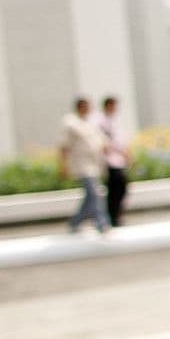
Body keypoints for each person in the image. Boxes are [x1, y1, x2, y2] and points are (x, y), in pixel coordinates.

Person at [59, 96, 110, 236]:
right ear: (80, 107)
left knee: (90, 196)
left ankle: (75, 221)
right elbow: (64, 146)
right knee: (95, 193)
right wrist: (64, 165)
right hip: (81, 164)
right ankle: (102, 223)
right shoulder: (70, 123)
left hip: (94, 164)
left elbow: (101, 141)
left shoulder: (90, 123)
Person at [94, 95, 131, 227]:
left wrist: (127, 153)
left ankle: (115, 216)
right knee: (115, 188)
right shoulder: (101, 121)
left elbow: (121, 139)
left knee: (121, 188)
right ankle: (111, 217)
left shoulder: (116, 120)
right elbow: (107, 142)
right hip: (109, 160)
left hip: (119, 159)